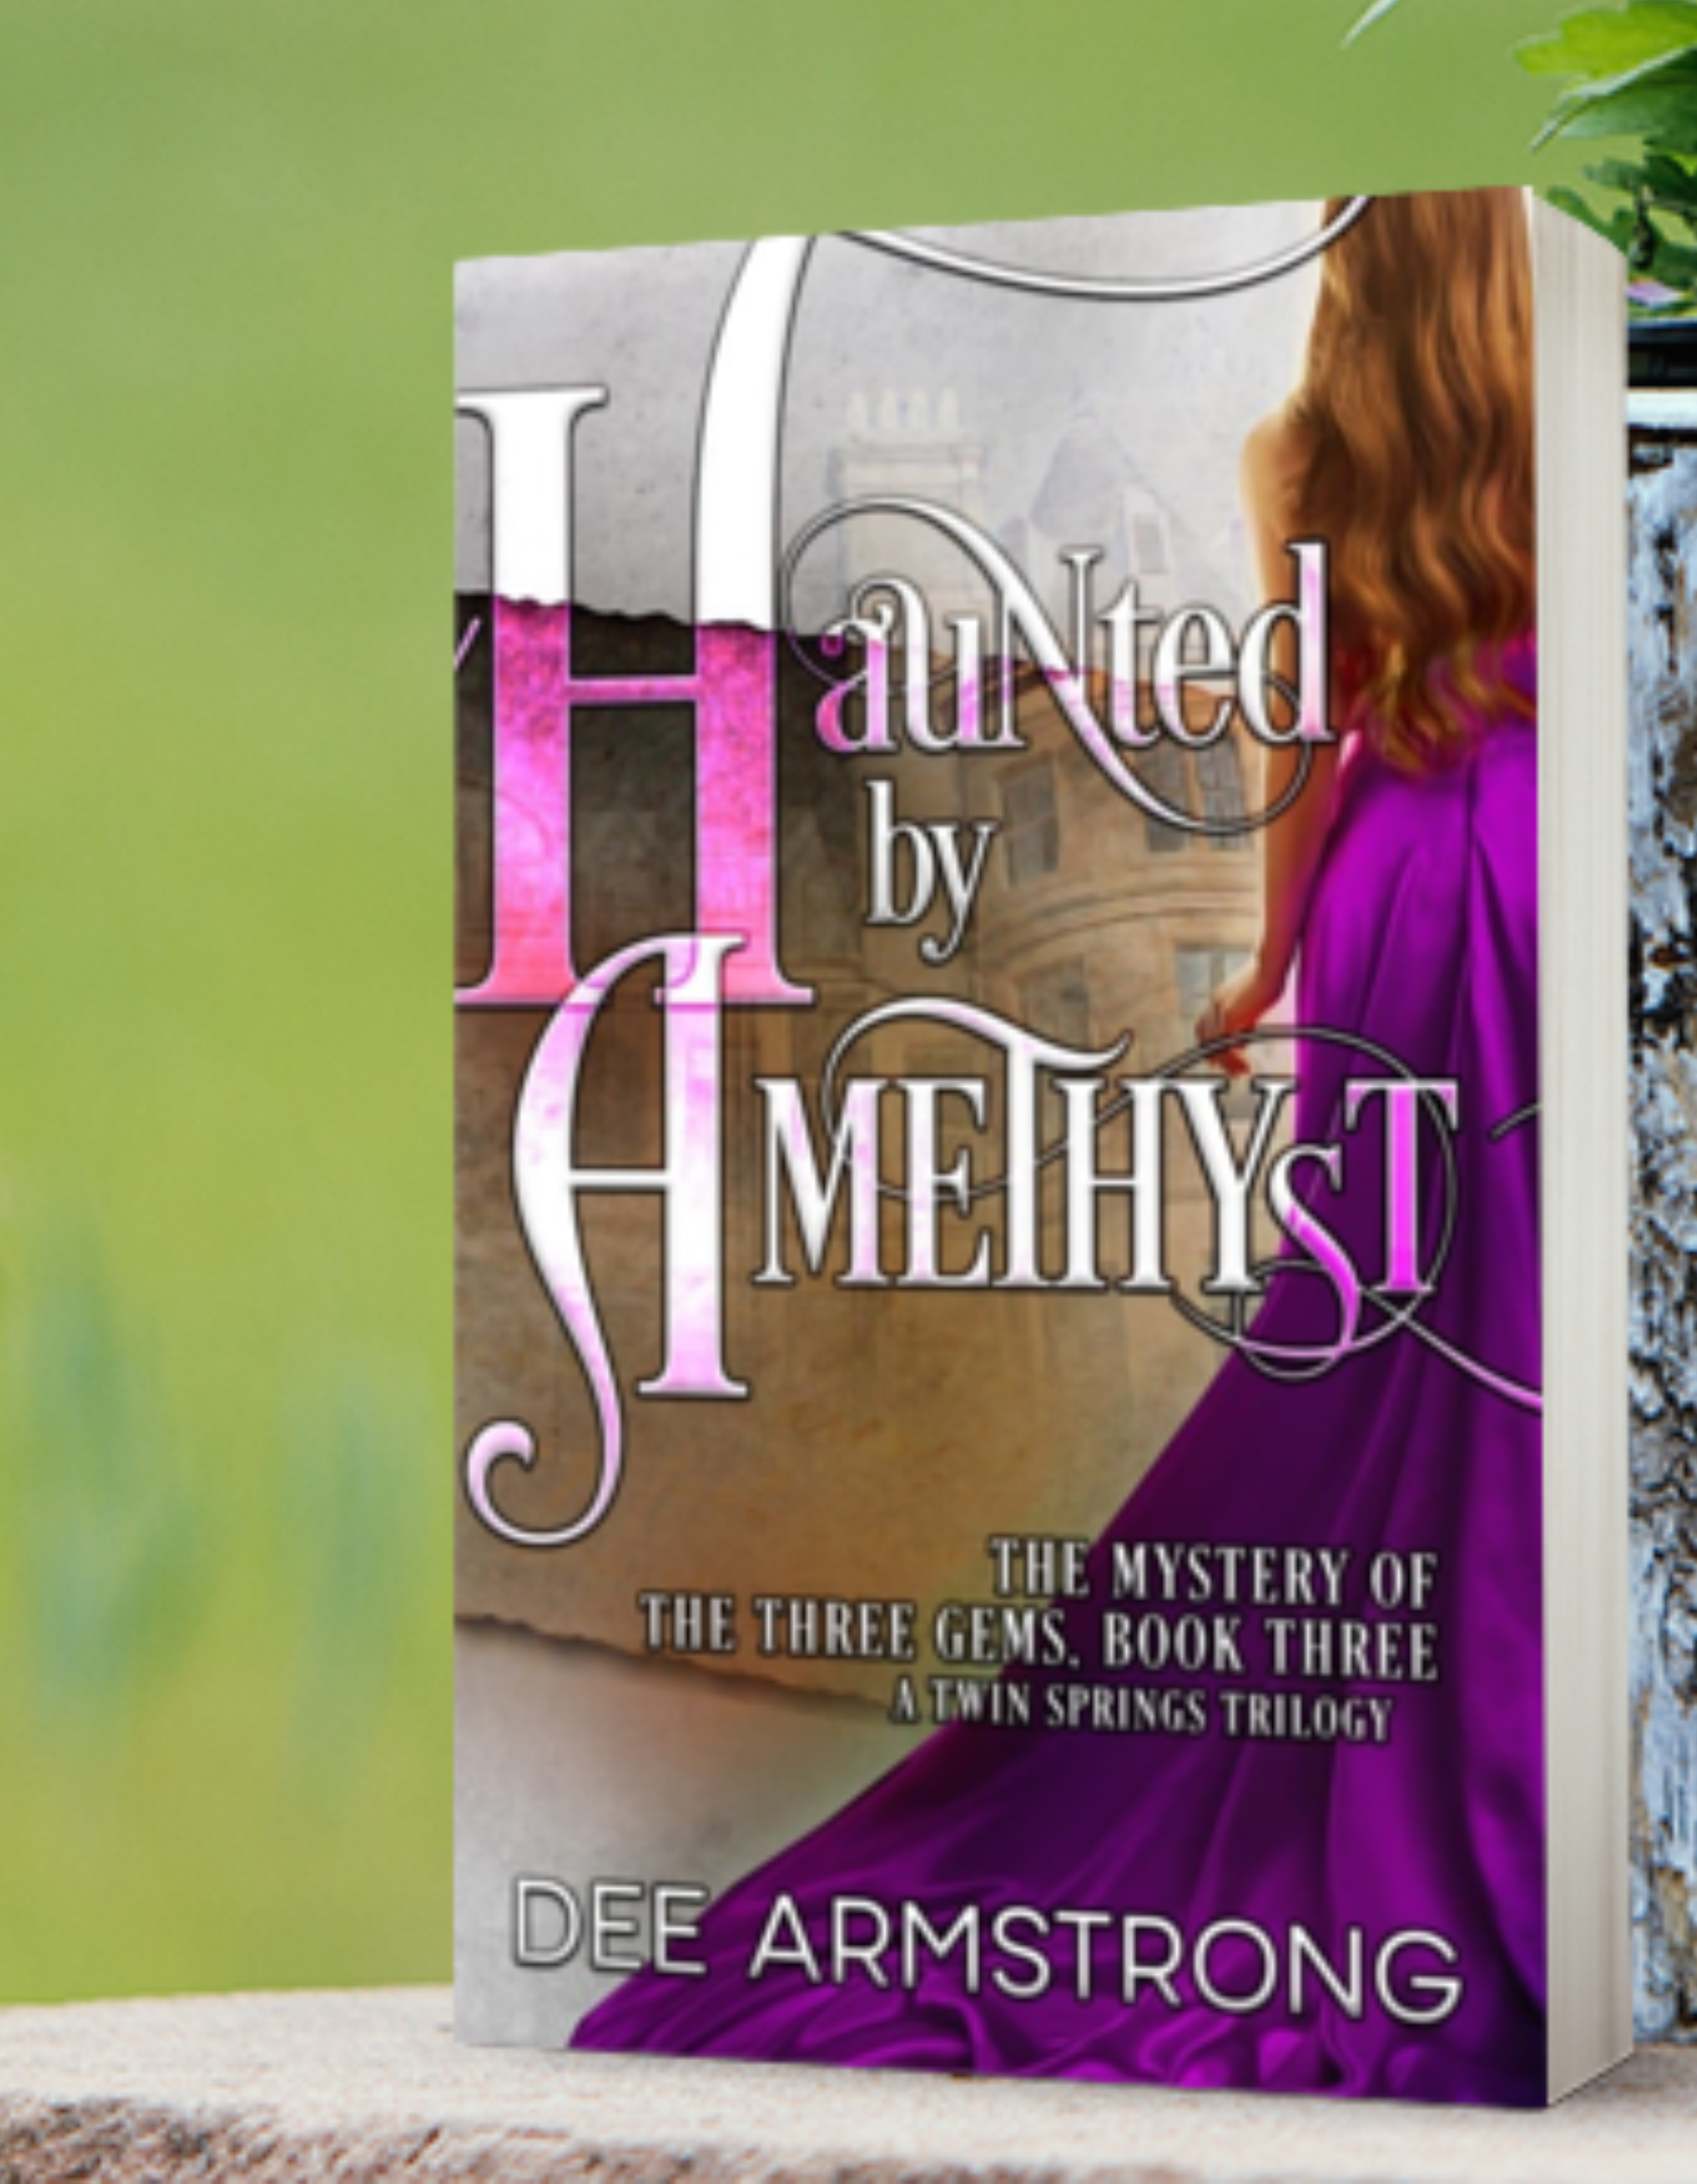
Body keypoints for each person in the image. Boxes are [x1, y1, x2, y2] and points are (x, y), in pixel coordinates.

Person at [573, 190, 1547, 2099]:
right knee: (1515, 1340)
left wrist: (1274, 957)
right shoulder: (1557, 414)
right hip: (1528, 852)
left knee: (1379, 1348)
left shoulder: (1301, 446)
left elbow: (1304, 733)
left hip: (1400, 884)